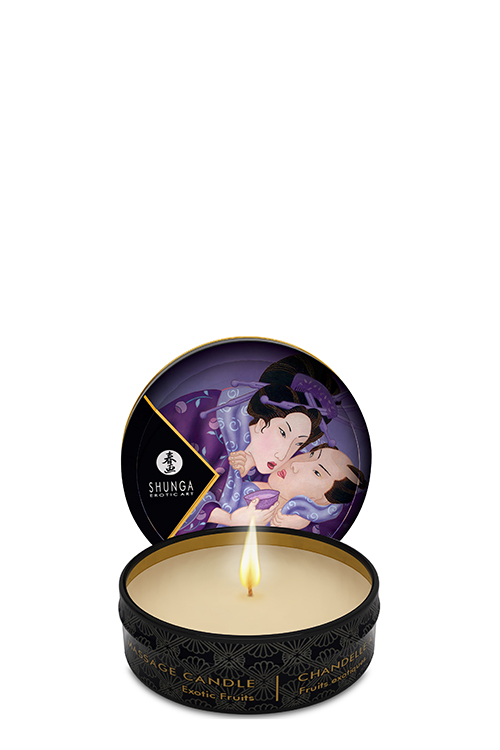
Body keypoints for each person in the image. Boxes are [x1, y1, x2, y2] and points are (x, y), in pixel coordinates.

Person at [251, 443, 367, 530]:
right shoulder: (250, 487)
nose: (295, 464)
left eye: (317, 472)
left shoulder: (299, 521)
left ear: (324, 500)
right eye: (311, 455)